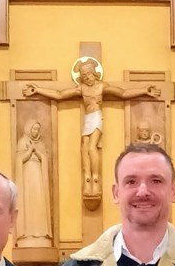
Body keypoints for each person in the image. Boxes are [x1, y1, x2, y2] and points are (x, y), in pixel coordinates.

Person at [22, 58, 159, 199]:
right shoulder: (81, 88)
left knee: (92, 147)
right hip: (88, 118)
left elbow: (123, 93)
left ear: (95, 74)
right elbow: (60, 95)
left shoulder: (101, 87)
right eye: (84, 76)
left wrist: (144, 90)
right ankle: (87, 178)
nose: (88, 78)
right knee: (84, 148)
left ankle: (95, 179)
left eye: (90, 75)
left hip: (96, 117)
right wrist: (38, 90)